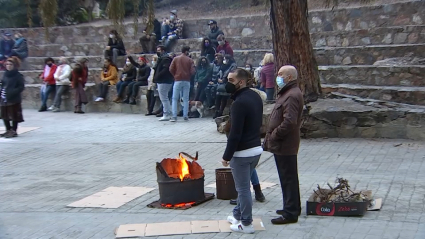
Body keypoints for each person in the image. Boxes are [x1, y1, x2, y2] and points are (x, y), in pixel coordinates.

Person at [221, 68, 263, 234]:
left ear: (241, 82)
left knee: (243, 189)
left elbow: (235, 134)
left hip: (242, 153)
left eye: (231, 80)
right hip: (255, 150)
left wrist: (226, 156)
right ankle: (237, 214)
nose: (228, 83)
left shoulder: (239, 103)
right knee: (244, 186)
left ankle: (246, 224)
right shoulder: (254, 96)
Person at [262, 65, 304, 225]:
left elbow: (289, 121)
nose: (278, 77)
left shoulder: (292, 95)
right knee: (287, 177)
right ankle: (291, 206)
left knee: (288, 178)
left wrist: (274, 134)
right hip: (282, 144)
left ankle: (291, 212)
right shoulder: (287, 93)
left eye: (281, 74)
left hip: (285, 144)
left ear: (290, 77)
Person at [169, 46, 196, 122]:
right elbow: (193, 71)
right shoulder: (190, 60)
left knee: (174, 98)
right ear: (187, 51)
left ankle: (174, 116)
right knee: (186, 99)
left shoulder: (176, 59)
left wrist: (175, 75)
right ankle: (185, 115)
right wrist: (189, 76)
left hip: (177, 79)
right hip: (186, 80)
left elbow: (171, 69)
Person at [0, 57, 24, 138]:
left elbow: (21, 87)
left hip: (13, 98)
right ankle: (8, 129)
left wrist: (12, 92)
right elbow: (3, 84)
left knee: (14, 115)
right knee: (4, 114)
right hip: (4, 97)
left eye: (10, 64)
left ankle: (14, 130)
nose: (8, 66)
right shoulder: (5, 74)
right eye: (7, 64)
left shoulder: (18, 75)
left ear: (14, 65)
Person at [153, 45, 174, 121]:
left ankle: (167, 113)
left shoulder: (166, 59)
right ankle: (168, 112)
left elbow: (165, 69)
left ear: (163, 50)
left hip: (164, 81)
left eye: (159, 50)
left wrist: (158, 76)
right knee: (165, 98)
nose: (157, 52)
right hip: (162, 80)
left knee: (164, 98)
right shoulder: (161, 58)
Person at [214, 54, 237, 119]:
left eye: (226, 59)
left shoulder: (233, 66)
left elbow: (232, 74)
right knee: (218, 97)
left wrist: (224, 80)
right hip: (220, 84)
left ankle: (220, 112)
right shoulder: (223, 66)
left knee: (224, 98)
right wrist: (218, 79)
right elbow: (219, 73)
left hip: (228, 83)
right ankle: (217, 111)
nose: (225, 61)